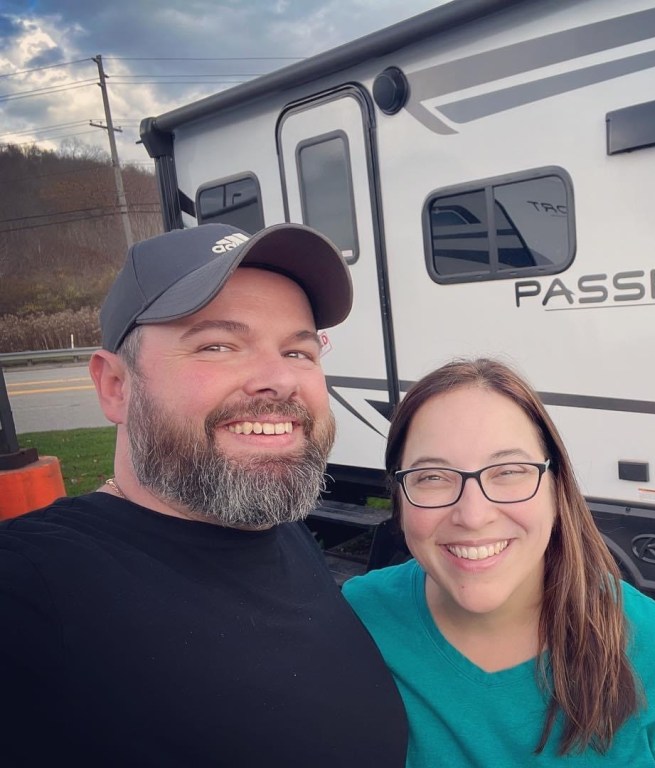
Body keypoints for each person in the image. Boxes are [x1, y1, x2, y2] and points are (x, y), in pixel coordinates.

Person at [0, 223, 408, 766]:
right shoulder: (32, 587)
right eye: (218, 345)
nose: (280, 380)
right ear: (116, 386)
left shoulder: (279, 531)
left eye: (298, 352)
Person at [343, 358, 655, 767]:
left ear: (556, 488)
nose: (473, 515)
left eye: (509, 471)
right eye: (432, 477)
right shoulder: (356, 621)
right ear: (399, 497)